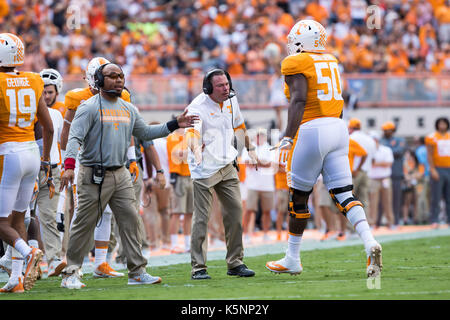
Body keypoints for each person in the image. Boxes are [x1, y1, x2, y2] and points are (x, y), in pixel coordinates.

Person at [59, 62, 198, 289]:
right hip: (93, 173)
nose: (118, 80)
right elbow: (74, 137)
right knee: (84, 223)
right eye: (111, 76)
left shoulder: (128, 108)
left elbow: (145, 133)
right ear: (99, 81)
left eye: (120, 75)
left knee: (132, 220)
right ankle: (71, 272)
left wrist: (174, 124)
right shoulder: (89, 107)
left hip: (120, 172)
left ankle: (136, 271)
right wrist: (69, 165)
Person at [265, 20, 382, 278]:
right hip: (338, 127)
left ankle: (292, 258)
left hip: (311, 129)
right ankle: (369, 241)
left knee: (298, 197)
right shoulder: (330, 60)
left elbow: (298, 99)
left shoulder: (297, 62)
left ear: (301, 42)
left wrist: (287, 136)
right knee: (344, 193)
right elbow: (337, 100)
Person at [60, 57, 132, 278]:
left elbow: (127, 129)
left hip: (110, 159)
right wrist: (68, 161)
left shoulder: (122, 96)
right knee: (83, 212)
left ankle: (101, 263)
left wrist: (131, 158)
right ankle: (76, 264)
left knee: (107, 211)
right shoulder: (77, 98)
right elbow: (68, 133)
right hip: (84, 160)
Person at [185, 68, 257, 280]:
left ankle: (235, 262)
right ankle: (198, 267)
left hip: (227, 164)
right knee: (202, 218)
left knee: (235, 212)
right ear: (208, 88)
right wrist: (196, 150)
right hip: (204, 168)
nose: (225, 88)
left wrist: (251, 150)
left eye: (227, 84)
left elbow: (239, 125)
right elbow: (192, 134)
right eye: (220, 86)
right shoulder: (197, 107)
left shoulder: (231, 100)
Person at [0, 33, 54, 292]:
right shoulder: (33, 80)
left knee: (1, 224)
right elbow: (49, 127)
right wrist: (45, 162)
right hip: (32, 153)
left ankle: (28, 251)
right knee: (19, 219)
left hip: (8, 154)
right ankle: (16, 280)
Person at [35, 68, 66, 276]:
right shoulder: (30, 110)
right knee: (22, 217)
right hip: (32, 167)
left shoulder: (58, 113)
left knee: (49, 217)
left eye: (49, 92)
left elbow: (62, 145)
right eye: (43, 92)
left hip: (52, 168)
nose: (46, 96)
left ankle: (53, 258)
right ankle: (16, 258)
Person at [242, 129, 276, 242]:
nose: (259, 137)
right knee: (249, 209)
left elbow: (271, 164)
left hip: (267, 185)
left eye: (261, 135)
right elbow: (247, 163)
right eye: (258, 135)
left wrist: (256, 161)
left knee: (267, 210)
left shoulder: (270, 148)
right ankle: (246, 234)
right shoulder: (249, 147)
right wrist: (262, 163)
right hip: (252, 184)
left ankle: (266, 233)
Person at [167, 128, 193, 254]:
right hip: (179, 176)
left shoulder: (189, 136)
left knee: (190, 212)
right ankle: (174, 244)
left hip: (191, 175)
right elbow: (179, 154)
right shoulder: (173, 137)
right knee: (177, 212)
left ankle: (188, 244)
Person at [347, 118, 376, 221]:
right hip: (366, 172)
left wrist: (357, 169)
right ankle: (366, 224)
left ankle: (351, 227)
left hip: (354, 172)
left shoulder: (351, 138)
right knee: (364, 200)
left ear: (351, 128)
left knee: (350, 201)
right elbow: (373, 158)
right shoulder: (370, 139)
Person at [425, 117, 450, 228]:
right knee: (436, 195)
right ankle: (434, 219)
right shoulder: (432, 137)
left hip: (448, 167)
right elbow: (429, 154)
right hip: (438, 168)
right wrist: (432, 169)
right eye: (440, 123)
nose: (442, 126)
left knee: (448, 196)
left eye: (444, 123)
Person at [380, 121, 406, 226]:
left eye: (388, 130)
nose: (386, 132)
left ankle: (395, 221)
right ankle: (380, 222)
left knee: (396, 198)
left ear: (393, 130)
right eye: (385, 130)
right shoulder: (381, 140)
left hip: (396, 173)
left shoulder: (400, 140)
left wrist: (384, 152)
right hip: (382, 175)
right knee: (380, 200)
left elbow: (399, 151)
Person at [368, 131, 395, 229]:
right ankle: (372, 223)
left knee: (387, 201)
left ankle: (390, 222)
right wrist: (380, 163)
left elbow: (389, 163)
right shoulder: (368, 151)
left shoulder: (386, 150)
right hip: (373, 179)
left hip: (385, 178)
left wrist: (376, 163)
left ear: (377, 140)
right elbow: (371, 164)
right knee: (372, 202)